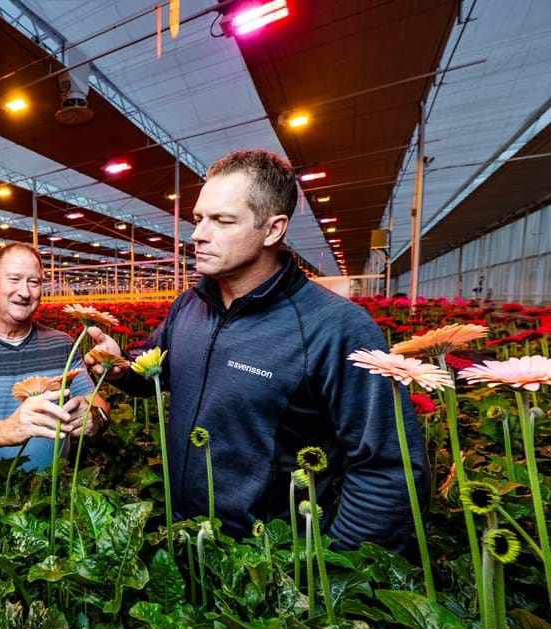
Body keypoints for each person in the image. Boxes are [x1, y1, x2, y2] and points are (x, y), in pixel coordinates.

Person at [84, 149, 428, 552]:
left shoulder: (335, 327)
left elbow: (389, 468)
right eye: (198, 218)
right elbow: (157, 372)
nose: (198, 234)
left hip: (268, 562)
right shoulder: (190, 305)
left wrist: (336, 568)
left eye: (222, 221)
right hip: (187, 542)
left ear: (272, 230)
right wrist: (122, 368)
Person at [0, 242, 108, 471]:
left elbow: (97, 403)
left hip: (56, 486)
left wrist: (95, 417)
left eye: (33, 282)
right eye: (14, 279)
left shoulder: (63, 344)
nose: (25, 292)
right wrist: (10, 429)